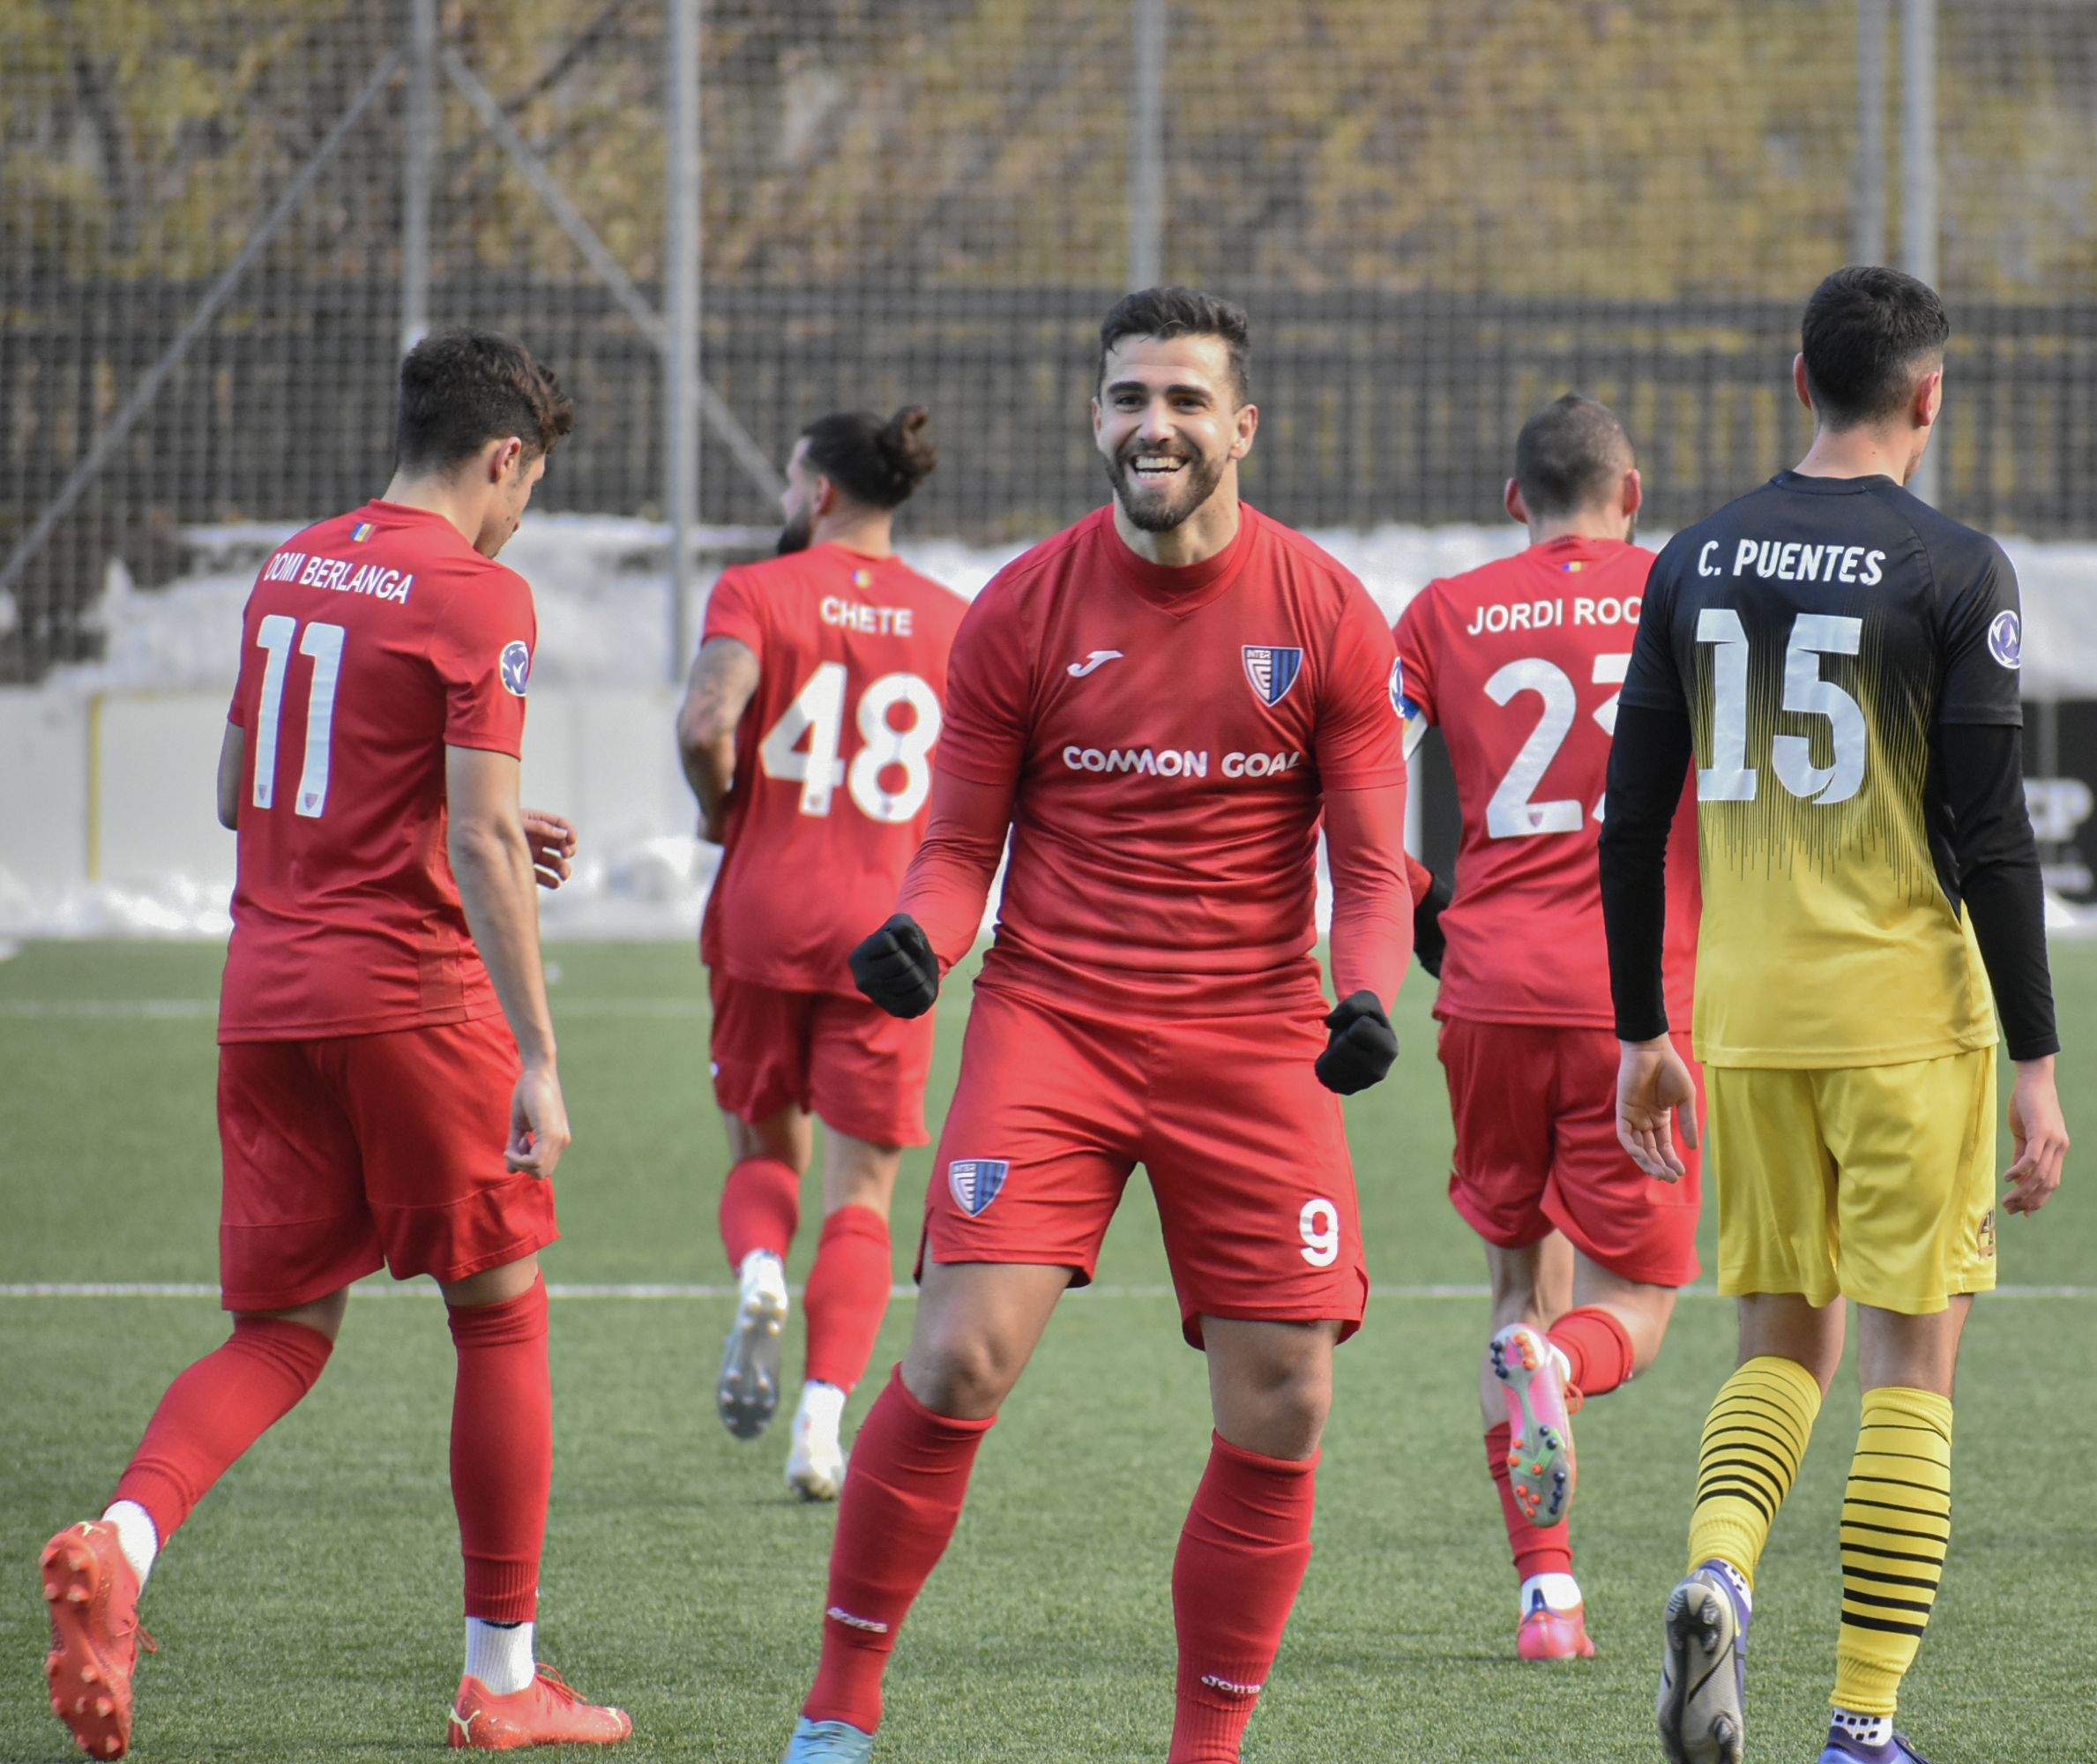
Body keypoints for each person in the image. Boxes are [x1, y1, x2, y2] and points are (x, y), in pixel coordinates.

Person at [775, 287, 1413, 1764]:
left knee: (1286, 1397)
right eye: (1130, 398)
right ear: (1095, 418)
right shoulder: (1019, 608)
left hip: (1255, 1035)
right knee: (955, 1363)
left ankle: (1204, 1752)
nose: (1156, 426)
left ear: (1241, 427)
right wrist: (916, 941)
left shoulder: (1324, 612)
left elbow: (1372, 872)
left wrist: (1367, 993)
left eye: (1187, 401)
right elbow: (955, 854)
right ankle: (837, 1710)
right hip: (1053, 1022)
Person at [39, 328, 629, 1757]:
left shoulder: (297, 563)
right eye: (528, 483)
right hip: (413, 1007)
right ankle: (503, 1680)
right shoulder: (479, 591)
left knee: (283, 1332)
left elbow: (252, 790)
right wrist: (540, 1055)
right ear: (506, 458)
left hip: (269, 1004)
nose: (521, 510)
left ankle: (125, 1538)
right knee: (501, 1308)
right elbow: (484, 836)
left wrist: (436, 811)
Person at [1598, 266, 2069, 1764]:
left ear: (1797, 379)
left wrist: (1638, 1031)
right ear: (1927, 395)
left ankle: (1722, 1572)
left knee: (1776, 1342)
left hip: (1744, 1019)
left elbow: (1629, 820)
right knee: (1910, 1363)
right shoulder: (1956, 566)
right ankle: (1860, 1725)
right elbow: (1991, 838)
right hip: (1903, 1023)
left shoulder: (1693, 555)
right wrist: (2040, 1065)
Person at [1392, 394, 1703, 1661]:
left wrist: (1426, 913)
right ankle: (1563, 1372)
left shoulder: (1443, 611)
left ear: (1517, 500)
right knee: (1637, 1300)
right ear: (1632, 495)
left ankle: (1548, 1600)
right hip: (1638, 1005)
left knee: (1517, 1282)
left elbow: (1353, 782)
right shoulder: (1687, 593)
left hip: (1490, 993)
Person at [676, 407, 966, 1500]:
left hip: (764, 911)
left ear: (822, 493)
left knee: (761, 1144)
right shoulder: (952, 617)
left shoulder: (758, 589)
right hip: (892, 933)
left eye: (793, 480)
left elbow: (707, 723)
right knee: (865, 1191)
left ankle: (759, 1271)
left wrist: (720, 810)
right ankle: (820, 1424)